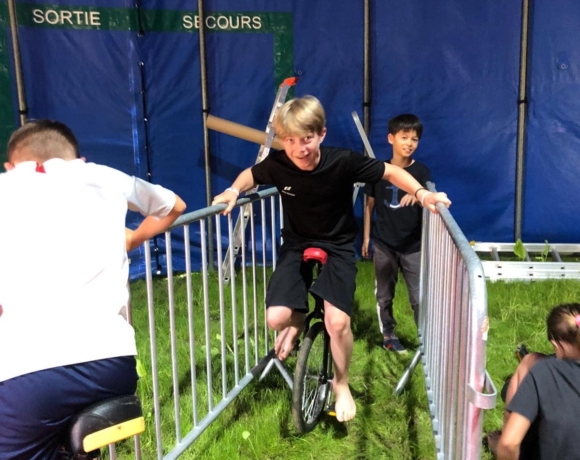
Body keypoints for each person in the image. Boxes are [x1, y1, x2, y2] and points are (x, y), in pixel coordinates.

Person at [212, 95, 450, 423]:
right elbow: (251, 175)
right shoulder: (279, 164)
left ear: (321, 134)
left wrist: (423, 194)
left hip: (337, 245)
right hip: (296, 244)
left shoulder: (342, 161)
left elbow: (391, 173)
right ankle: (296, 322)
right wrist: (233, 191)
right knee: (276, 319)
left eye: (307, 139)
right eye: (290, 141)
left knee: (336, 322)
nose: (299, 149)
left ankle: (341, 383)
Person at [0, 120, 186, 459]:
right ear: (78, 160)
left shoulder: (5, 187)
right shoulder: (102, 175)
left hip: (27, 371)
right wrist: (133, 238)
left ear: (10, 167)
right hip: (112, 364)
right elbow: (174, 206)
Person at [362, 114, 430, 354]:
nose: (409, 143)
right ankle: (389, 335)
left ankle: (426, 340)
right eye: (404, 137)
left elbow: (429, 200)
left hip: (413, 245)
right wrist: (367, 238)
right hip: (384, 244)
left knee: (420, 297)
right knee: (384, 295)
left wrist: (419, 195)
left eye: (414, 139)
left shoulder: (421, 172)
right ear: (391, 138)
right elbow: (369, 206)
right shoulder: (377, 170)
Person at [492, 303, 580, 460]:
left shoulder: (545, 371)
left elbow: (509, 444)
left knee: (529, 362)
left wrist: (504, 447)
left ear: (556, 345)